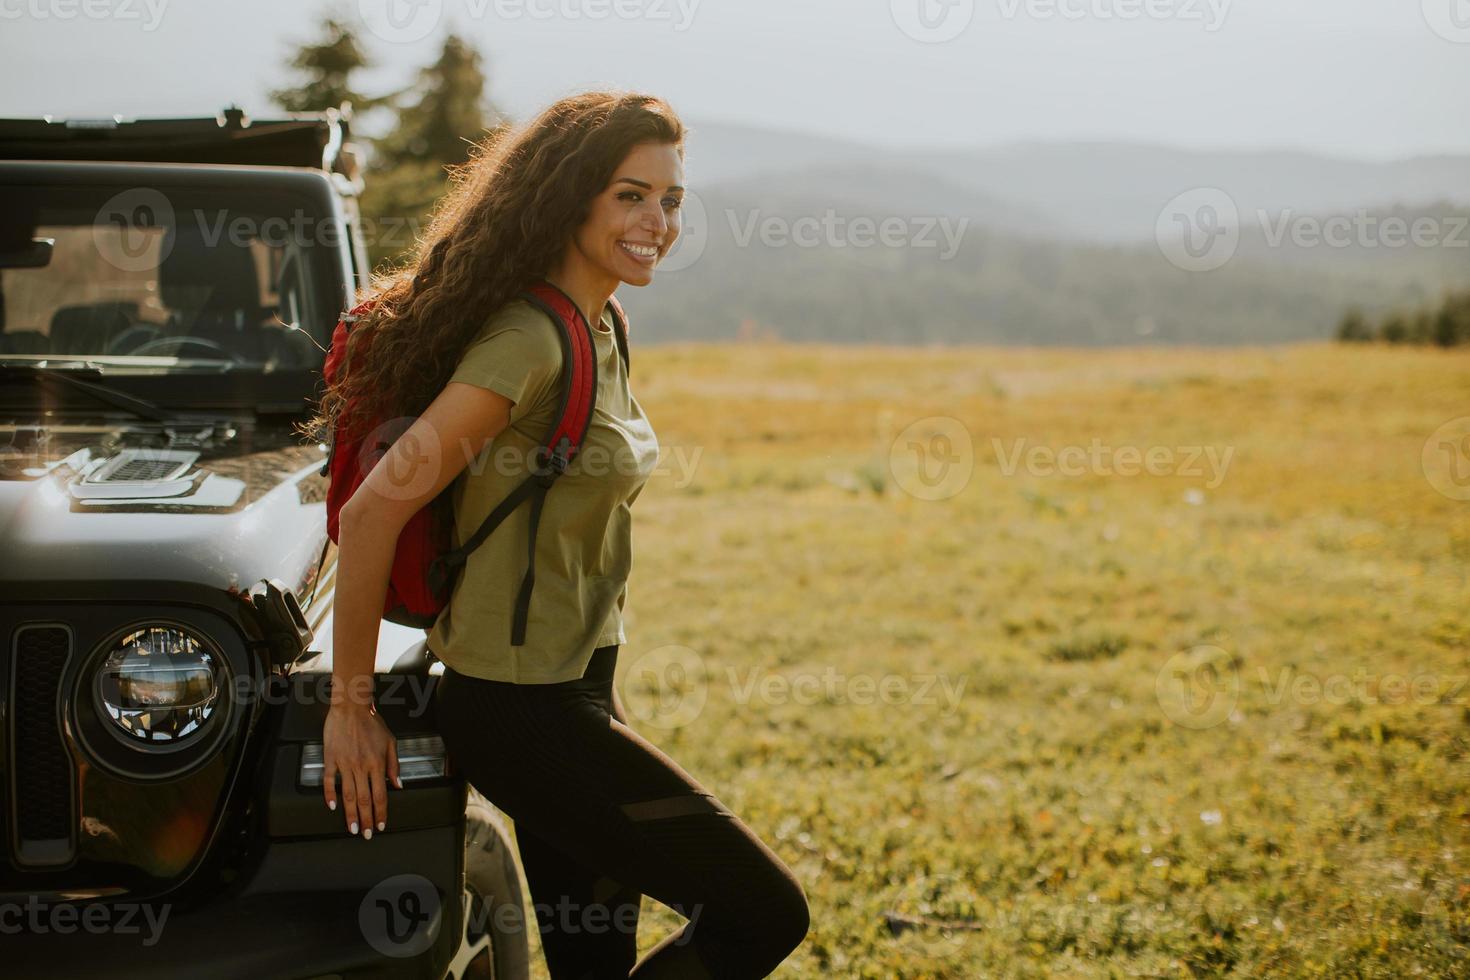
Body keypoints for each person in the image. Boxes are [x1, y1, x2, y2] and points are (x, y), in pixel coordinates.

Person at [308, 91, 809, 978]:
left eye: (672, 199)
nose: (658, 221)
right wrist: (348, 710)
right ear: (569, 196)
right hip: (517, 710)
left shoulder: (604, 324)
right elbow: (372, 510)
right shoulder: (528, 342)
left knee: (592, 963)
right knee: (764, 912)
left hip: (578, 685)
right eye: (630, 195)